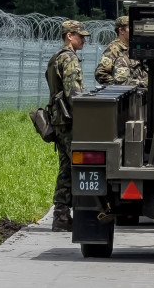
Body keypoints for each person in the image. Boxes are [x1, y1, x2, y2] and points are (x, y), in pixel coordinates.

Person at [45, 19, 89, 232]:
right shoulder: (69, 59)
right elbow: (74, 94)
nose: (83, 40)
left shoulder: (55, 58)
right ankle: (77, 212)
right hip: (70, 120)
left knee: (66, 167)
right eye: (80, 36)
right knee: (79, 167)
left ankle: (61, 215)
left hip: (58, 121)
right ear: (69, 36)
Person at [95, 15, 147, 88]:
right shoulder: (114, 48)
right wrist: (117, 86)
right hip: (125, 94)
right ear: (121, 30)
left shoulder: (136, 47)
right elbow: (101, 73)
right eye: (131, 28)